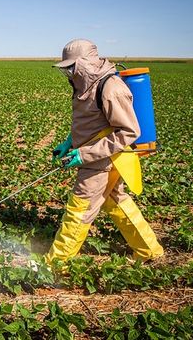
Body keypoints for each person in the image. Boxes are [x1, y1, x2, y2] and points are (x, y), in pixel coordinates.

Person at [46, 39, 164, 264]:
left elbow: (129, 132)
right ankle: (149, 250)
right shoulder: (85, 84)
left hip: (103, 160)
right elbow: (93, 122)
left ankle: (56, 264)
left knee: (78, 209)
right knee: (115, 200)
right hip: (97, 156)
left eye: (72, 67)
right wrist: (69, 142)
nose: (69, 73)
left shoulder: (110, 88)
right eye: (66, 68)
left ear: (85, 64)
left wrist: (84, 154)